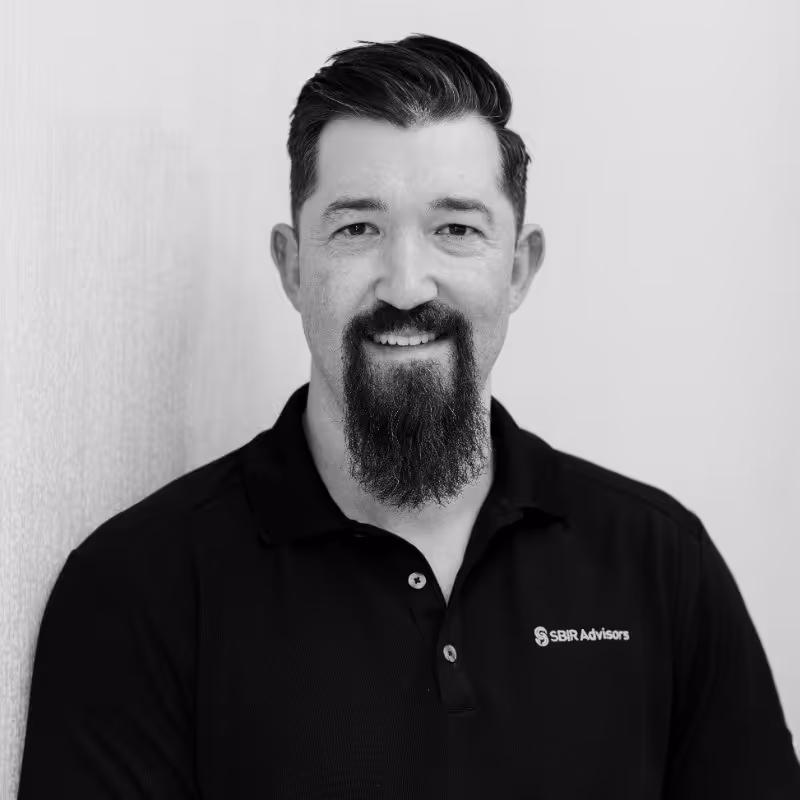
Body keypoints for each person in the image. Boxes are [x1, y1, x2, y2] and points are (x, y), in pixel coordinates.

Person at [17, 33, 800, 799]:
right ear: (293, 266)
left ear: (518, 266)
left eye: (455, 229)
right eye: (358, 228)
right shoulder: (137, 591)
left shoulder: (661, 563)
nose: (405, 284)